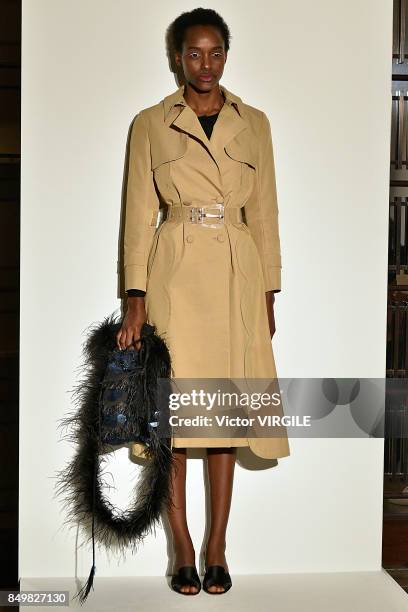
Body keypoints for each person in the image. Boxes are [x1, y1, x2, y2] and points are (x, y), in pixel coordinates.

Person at [116, 7, 290, 596]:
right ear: (176, 57)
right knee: (175, 422)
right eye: (194, 53)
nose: (206, 64)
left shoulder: (256, 123)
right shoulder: (150, 124)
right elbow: (139, 215)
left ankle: (217, 545)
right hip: (175, 274)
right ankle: (182, 543)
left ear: (226, 55)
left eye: (215, 52)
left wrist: (268, 291)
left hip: (238, 275)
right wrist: (135, 299)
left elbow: (264, 213)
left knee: (220, 421)